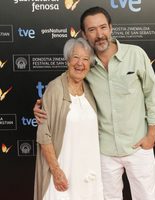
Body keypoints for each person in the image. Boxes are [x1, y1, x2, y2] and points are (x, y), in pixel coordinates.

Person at [34, 7, 155, 200]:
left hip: (138, 147)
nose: (99, 34)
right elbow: (65, 85)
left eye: (103, 27)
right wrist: (42, 105)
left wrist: (151, 135)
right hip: (104, 153)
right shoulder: (86, 65)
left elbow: (152, 95)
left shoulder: (135, 55)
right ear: (84, 34)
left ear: (111, 28)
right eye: (92, 30)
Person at [34, 37, 104, 200]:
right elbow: (44, 134)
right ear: (67, 61)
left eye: (85, 59)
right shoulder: (55, 89)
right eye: (76, 58)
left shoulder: (90, 89)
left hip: (88, 171)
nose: (80, 63)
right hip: (64, 171)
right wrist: (56, 171)